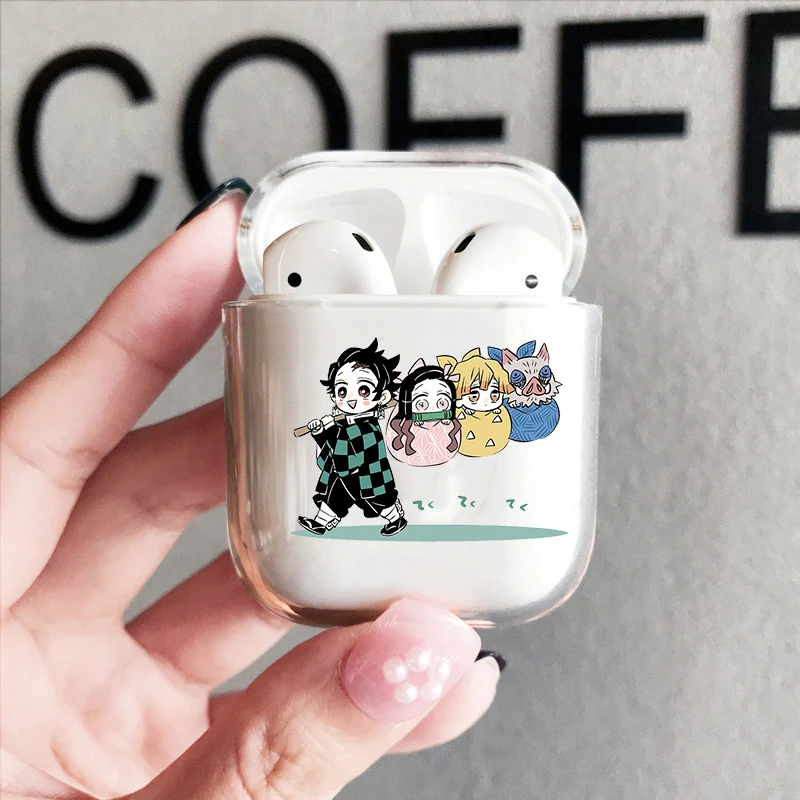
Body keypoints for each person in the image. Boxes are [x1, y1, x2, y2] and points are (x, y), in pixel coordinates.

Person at [0, 182, 505, 800]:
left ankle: (384, 512)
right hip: (328, 479)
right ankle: (341, 515)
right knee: (328, 492)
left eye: (362, 391)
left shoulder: (375, 415)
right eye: (344, 389)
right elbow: (317, 427)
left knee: (369, 488)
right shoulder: (332, 411)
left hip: (366, 465)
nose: (352, 398)